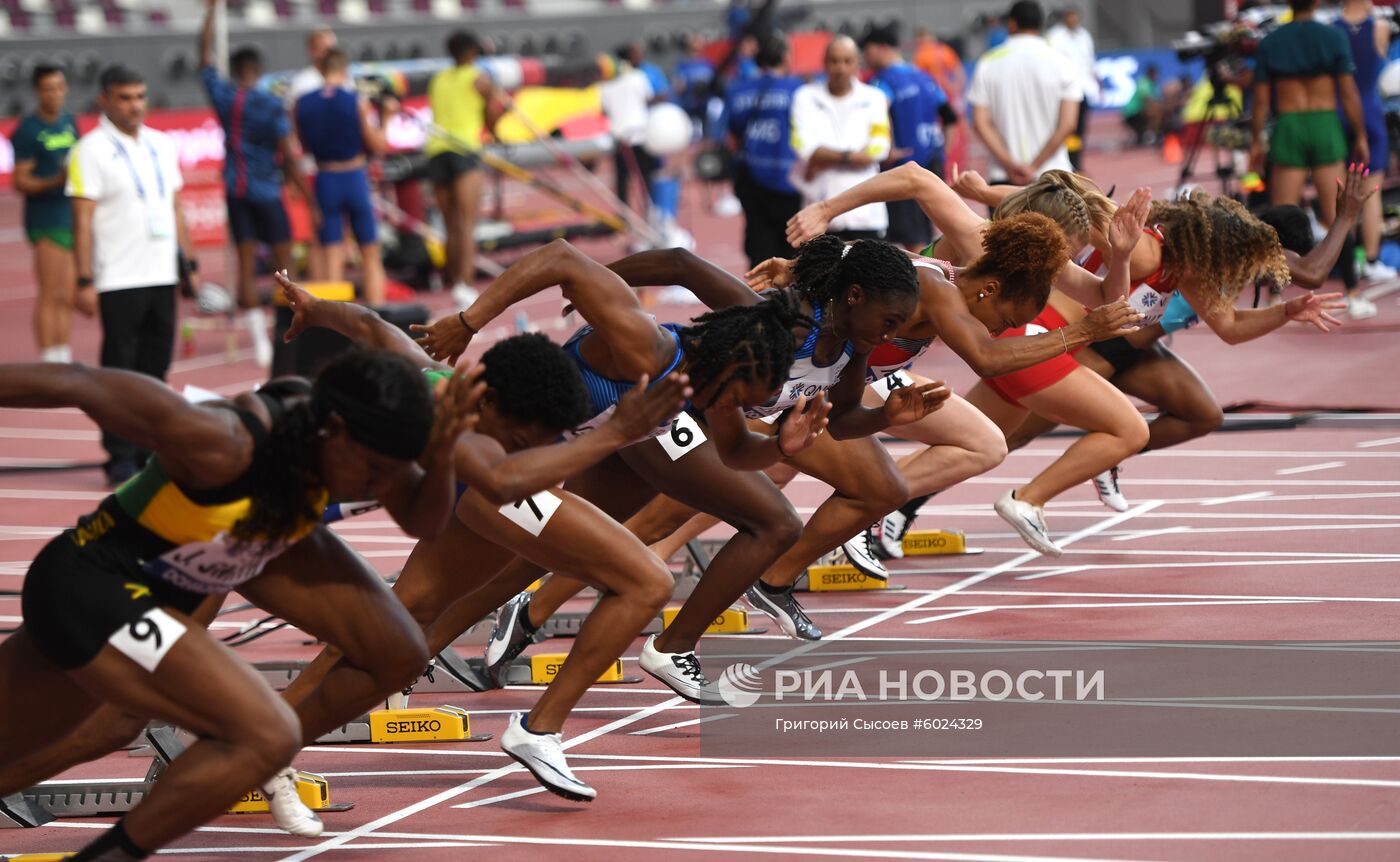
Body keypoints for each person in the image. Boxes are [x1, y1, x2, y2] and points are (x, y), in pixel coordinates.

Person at [0, 350, 480, 859]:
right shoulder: (221, 440)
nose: (379, 489)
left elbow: (424, 521)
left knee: (396, 653)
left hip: (207, 564)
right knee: (259, 733)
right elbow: (78, 381)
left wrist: (444, 451)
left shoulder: (366, 447)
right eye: (377, 472)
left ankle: (254, 741)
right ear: (335, 429)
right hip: (95, 585)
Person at [273, 272, 692, 802]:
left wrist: (317, 309)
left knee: (396, 630)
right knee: (374, 635)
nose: (524, 454)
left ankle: (269, 749)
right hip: (255, 520)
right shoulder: (459, 432)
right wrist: (616, 433)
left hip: (325, 518)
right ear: (489, 403)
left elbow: (373, 326)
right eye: (520, 441)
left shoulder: (439, 382)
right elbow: (502, 480)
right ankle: (252, 740)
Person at [412, 239, 834, 703]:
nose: (738, 408)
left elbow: (734, 452)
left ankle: (417, 658)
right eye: (742, 396)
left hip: (528, 468)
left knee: (515, 561)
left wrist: (778, 445)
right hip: (483, 454)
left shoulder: (710, 387)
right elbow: (561, 257)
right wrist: (467, 321)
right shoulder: (644, 346)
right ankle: (397, 661)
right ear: (731, 365)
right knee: (430, 589)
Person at [506, 238, 944, 643]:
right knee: (768, 523)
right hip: (658, 394)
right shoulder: (783, 317)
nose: (889, 337)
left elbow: (845, 421)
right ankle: (671, 647)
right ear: (854, 297)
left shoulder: (855, 344)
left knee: (599, 523)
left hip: (708, 426)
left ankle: (516, 607)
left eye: (898, 327)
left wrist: (884, 416)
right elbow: (681, 263)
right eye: (888, 322)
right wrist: (596, 278)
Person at [781, 161, 1147, 565]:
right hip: (847, 363)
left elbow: (1109, 304)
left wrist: (1123, 255)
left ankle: (866, 514)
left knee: (986, 443)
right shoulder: (980, 243)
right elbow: (916, 177)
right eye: (1059, 254)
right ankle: (848, 520)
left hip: (879, 363)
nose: (1056, 270)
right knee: (774, 463)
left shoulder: (1032, 270)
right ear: (1034, 234)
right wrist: (826, 210)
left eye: (1065, 260)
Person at [951, 170, 1329, 548]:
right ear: (1215, 252)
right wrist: (988, 191)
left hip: (1121, 346)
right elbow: (1068, 202)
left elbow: (1229, 327)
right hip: (1080, 340)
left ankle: (1062, 480)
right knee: (1011, 433)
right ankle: (944, 501)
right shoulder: (1147, 250)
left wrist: (1286, 312)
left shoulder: (1188, 272)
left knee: (1190, 416)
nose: (1235, 279)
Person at [67, 64, 198, 487]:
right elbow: (82, 220)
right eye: (125, 97)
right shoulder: (89, 150)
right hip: (118, 276)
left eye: (140, 96)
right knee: (119, 373)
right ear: (104, 99)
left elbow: (175, 207)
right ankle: (119, 454)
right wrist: (84, 279)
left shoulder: (161, 144)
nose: (135, 105)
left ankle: (150, 448)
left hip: (160, 271)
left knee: (155, 369)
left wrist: (188, 262)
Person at [198, 0, 316, 369]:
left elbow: (202, 57)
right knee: (284, 266)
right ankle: (286, 335)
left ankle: (258, 345)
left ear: (234, 70)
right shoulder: (269, 104)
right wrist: (310, 200)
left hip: (236, 190)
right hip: (267, 192)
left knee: (247, 265)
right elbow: (289, 155)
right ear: (258, 70)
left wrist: (211, 11)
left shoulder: (224, 97)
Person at [1249, 0, 1370, 318]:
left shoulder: (1272, 41)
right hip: (1324, 124)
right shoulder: (1332, 37)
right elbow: (1348, 92)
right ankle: (1354, 293)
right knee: (1339, 213)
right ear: (1316, 2)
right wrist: (1360, 134)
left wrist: (1256, 141)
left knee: (1279, 218)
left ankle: (1276, 297)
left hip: (1289, 125)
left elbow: (1261, 99)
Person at [295, 48, 393, 306]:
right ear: (344, 70)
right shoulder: (355, 100)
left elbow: (301, 146)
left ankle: (332, 327)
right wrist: (385, 119)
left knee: (331, 254)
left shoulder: (302, 103)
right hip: (354, 178)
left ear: (320, 70)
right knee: (370, 254)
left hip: (325, 177)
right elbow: (377, 144)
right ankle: (378, 319)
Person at [862, 22, 957, 251]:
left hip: (902, 168)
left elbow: (877, 114)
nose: (864, 56)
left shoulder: (881, 81)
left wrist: (888, 149)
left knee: (909, 240)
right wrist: (942, 151)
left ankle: (923, 284)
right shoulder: (925, 78)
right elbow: (951, 117)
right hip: (932, 163)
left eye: (867, 49)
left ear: (882, 47)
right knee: (927, 233)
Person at [789, 35, 892, 240]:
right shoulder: (804, 96)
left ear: (857, 64)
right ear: (825, 63)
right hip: (818, 214)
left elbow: (880, 149)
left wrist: (824, 157)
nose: (840, 68)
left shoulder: (874, 98)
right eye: (834, 61)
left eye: (847, 61)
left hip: (867, 215)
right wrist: (854, 156)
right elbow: (803, 148)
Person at [427, 30, 502, 310]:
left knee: (449, 225)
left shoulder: (438, 79)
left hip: (436, 150)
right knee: (466, 224)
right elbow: (491, 117)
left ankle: (455, 282)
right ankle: (465, 285)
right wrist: (493, 108)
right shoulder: (479, 78)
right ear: (471, 52)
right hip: (465, 150)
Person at [967, 0, 1081, 184]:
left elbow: (980, 123)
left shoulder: (987, 64)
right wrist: (1034, 167)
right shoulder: (1062, 63)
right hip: (1053, 175)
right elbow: (1068, 124)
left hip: (1003, 177)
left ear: (1012, 23)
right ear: (1041, 23)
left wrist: (1010, 164)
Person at [10, 63, 78, 364]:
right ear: (38, 92)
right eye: (48, 89)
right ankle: (50, 360)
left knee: (67, 295)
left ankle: (63, 355)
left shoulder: (69, 123)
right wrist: (55, 181)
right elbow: (20, 181)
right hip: (45, 219)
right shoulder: (28, 130)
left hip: (70, 216)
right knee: (50, 293)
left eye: (59, 87)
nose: (55, 94)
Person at [725, 33, 804, 267]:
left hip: (751, 176)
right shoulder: (798, 89)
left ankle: (760, 300)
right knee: (794, 251)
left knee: (759, 248)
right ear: (785, 56)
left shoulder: (737, 90)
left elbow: (733, 132)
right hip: (789, 178)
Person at [1336, 0, 1396, 291]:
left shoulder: (1333, 30)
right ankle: (1370, 261)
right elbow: (1379, 59)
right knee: (1371, 192)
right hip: (1369, 112)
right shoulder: (1380, 27)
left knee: (1344, 190)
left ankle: (1344, 260)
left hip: (1341, 113)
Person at [599, 47, 658, 214]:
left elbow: (604, 109)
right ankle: (649, 211)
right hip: (639, 133)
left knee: (622, 178)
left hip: (620, 135)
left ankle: (624, 214)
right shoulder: (638, 77)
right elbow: (648, 98)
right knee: (645, 176)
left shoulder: (605, 84)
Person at [1046, 6, 1098, 172]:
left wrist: (1096, 82)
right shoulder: (1055, 37)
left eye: (1075, 17)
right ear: (1064, 18)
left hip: (1084, 89)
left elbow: (1089, 61)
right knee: (1066, 128)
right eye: (1070, 17)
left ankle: (1076, 164)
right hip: (1064, 92)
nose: (1073, 20)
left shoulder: (1084, 36)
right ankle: (1064, 165)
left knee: (1080, 130)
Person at [284, 27, 339, 109]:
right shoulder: (301, 82)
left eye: (331, 49)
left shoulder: (345, 78)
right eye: (323, 49)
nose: (328, 54)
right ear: (311, 50)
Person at [1122, 64, 1163, 146]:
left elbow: (1157, 99)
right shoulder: (1144, 83)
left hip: (1139, 112)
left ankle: (1147, 135)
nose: (1157, 76)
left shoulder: (1153, 84)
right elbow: (1148, 99)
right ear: (1151, 73)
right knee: (1156, 113)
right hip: (1133, 113)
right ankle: (1151, 135)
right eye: (1156, 74)